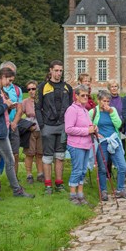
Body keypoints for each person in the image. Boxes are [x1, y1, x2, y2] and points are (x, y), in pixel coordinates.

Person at [0, 67, 34, 200]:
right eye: (9, 80)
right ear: (3, 76)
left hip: (1, 129)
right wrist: (5, 106)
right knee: (10, 160)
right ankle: (17, 190)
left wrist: (8, 106)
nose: (10, 83)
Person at [36, 60, 73, 195]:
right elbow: (37, 108)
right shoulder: (42, 87)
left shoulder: (67, 88)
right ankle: (48, 186)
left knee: (60, 156)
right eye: (56, 70)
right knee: (47, 157)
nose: (58, 73)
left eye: (60, 71)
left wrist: (68, 125)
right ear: (50, 70)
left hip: (62, 126)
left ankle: (59, 183)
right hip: (48, 126)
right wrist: (42, 126)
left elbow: (70, 109)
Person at [90, 90, 126, 200]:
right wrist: (94, 133)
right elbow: (88, 126)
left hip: (114, 140)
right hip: (101, 142)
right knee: (103, 168)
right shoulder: (93, 112)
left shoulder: (112, 110)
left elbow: (118, 124)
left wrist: (111, 112)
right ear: (98, 101)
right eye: (104, 101)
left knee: (122, 166)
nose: (106, 103)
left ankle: (120, 189)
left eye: (108, 101)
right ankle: (103, 191)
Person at [65, 85, 97, 205]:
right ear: (76, 96)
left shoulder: (84, 110)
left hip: (86, 144)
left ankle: (80, 195)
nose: (85, 97)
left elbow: (87, 126)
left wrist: (94, 128)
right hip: (76, 145)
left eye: (86, 95)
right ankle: (73, 196)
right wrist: (86, 131)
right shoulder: (72, 110)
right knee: (77, 170)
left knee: (83, 170)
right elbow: (68, 129)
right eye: (82, 95)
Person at [0, 61, 23, 192]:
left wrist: (15, 122)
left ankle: (14, 181)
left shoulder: (17, 90)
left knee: (15, 154)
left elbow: (20, 108)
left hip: (12, 125)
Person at [21, 80, 44, 184]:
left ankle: (40, 174)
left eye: (33, 89)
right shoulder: (25, 102)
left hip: (42, 130)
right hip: (30, 130)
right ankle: (29, 174)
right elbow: (19, 116)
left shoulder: (42, 101)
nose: (31, 91)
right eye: (29, 89)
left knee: (40, 153)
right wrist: (27, 126)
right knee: (29, 154)